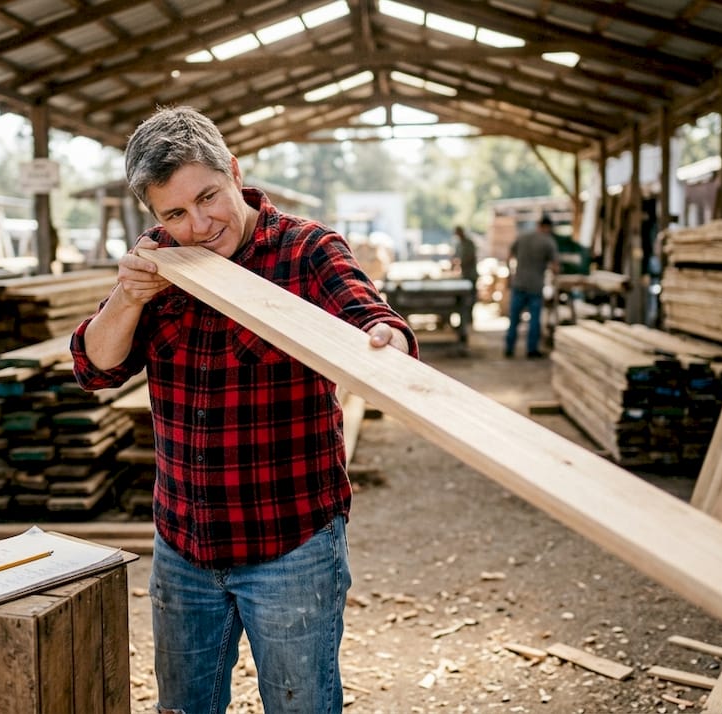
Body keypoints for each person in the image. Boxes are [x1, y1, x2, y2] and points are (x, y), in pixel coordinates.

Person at [70, 106, 418, 714]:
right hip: (184, 544)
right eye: (175, 213)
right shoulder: (158, 260)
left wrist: (387, 343)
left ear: (233, 170)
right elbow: (94, 368)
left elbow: (377, 323)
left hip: (291, 545)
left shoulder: (306, 250)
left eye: (209, 197)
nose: (199, 224)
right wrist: (127, 296)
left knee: (301, 706)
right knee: (184, 707)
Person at [505, 214, 560, 358]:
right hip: (535, 286)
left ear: (538, 224)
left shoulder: (523, 237)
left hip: (518, 284)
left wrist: (510, 275)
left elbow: (509, 256)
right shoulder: (549, 242)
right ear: (548, 227)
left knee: (514, 319)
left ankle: (509, 348)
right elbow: (555, 267)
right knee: (534, 320)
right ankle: (531, 350)